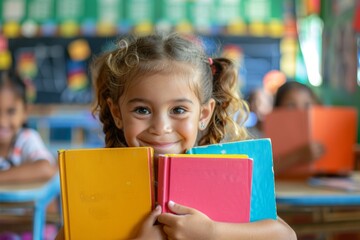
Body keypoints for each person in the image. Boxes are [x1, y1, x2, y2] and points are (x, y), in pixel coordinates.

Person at [56, 33, 297, 240]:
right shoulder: (102, 180)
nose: (161, 127)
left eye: (178, 110)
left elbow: (285, 235)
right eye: (142, 110)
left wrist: (213, 232)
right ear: (117, 113)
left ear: (203, 113)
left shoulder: (222, 172)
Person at [0, 70, 57, 183]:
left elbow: (46, 169)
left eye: (11, 112)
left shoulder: (26, 139)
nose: (2, 122)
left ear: (25, 111)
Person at [272, 81, 325, 175]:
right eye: (291, 105)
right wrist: (298, 155)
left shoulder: (324, 130)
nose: (300, 111)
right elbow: (264, 171)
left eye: (307, 105)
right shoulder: (268, 137)